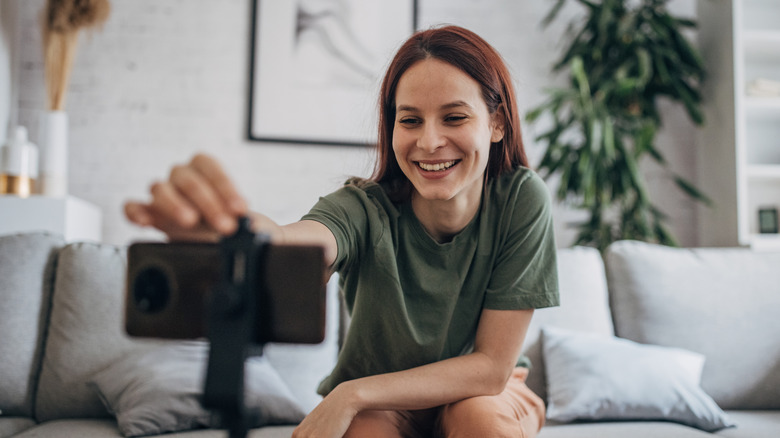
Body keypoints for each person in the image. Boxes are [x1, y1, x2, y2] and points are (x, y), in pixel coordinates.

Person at [125, 25, 559, 438]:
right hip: (383, 405)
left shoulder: (521, 199)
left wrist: (352, 393)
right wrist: (232, 232)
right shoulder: (362, 208)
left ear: (497, 123)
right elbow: (294, 245)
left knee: (480, 419)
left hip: (478, 392)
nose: (429, 142)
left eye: (454, 117)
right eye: (409, 120)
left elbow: (490, 368)